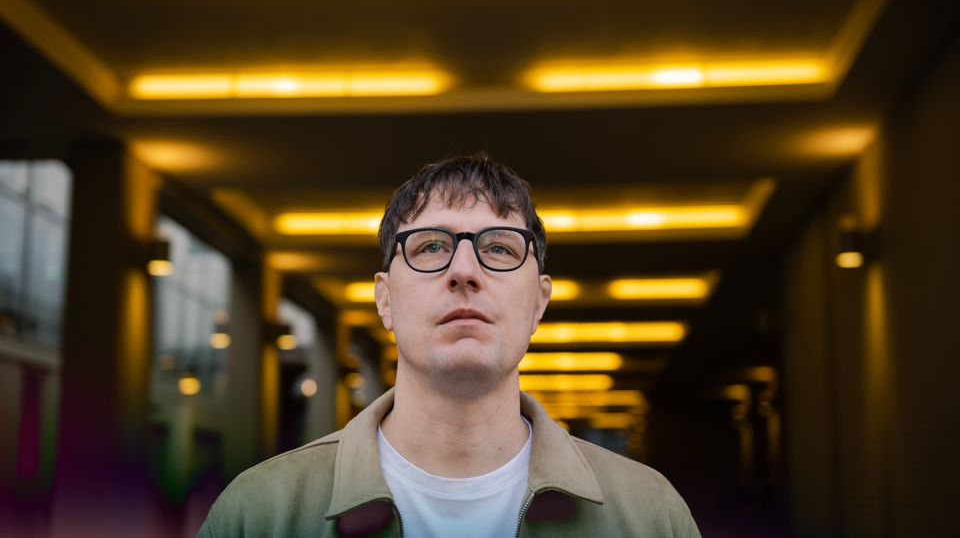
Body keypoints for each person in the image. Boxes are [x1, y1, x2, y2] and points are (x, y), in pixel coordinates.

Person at [198, 153, 701, 537]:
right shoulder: (258, 513)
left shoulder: (650, 514)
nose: (464, 271)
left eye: (500, 248)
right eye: (431, 246)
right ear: (385, 299)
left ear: (538, 303)